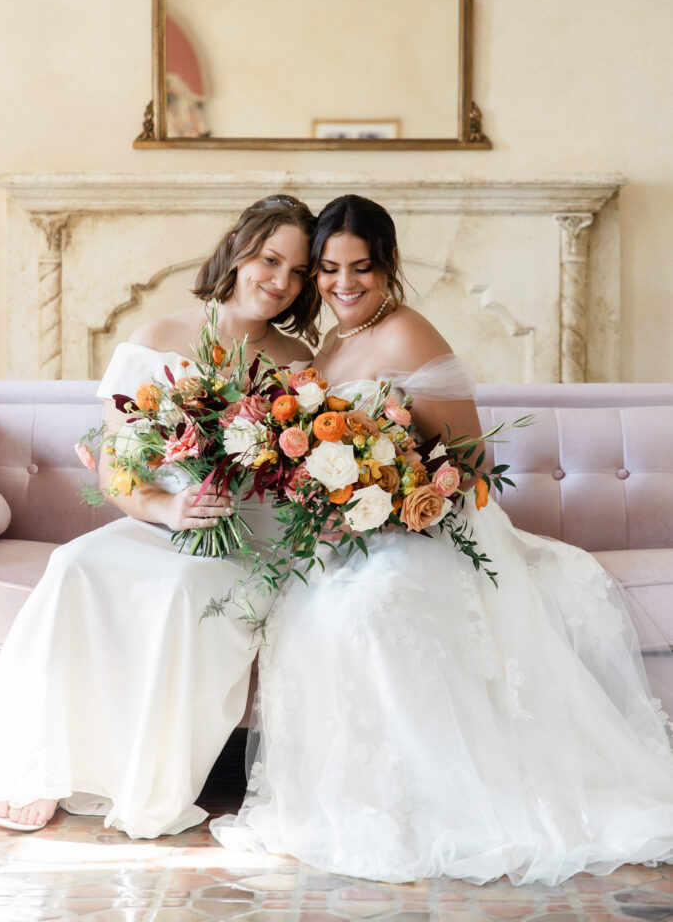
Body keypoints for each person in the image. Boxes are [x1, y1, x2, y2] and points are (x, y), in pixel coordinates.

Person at [212, 194, 673, 886]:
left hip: (434, 526)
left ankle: (437, 800)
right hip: (356, 532)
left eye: (360, 268)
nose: (342, 284)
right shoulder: (330, 343)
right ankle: (364, 795)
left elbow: (471, 467)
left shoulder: (410, 335)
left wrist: (391, 501)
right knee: (313, 604)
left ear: (387, 266)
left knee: (374, 606)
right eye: (328, 270)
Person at [0, 194, 318, 838]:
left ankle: (136, 780)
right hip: (158, 524)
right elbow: (119, 466)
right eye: (270, 259)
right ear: (238, 248)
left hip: (250, 539)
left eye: (299, 272)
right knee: (75, 562)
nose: (280, 281)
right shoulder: (156, 340)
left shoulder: (298, 362)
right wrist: (169, 505)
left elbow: (295, 476)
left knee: (181, 588)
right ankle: (44, 767)